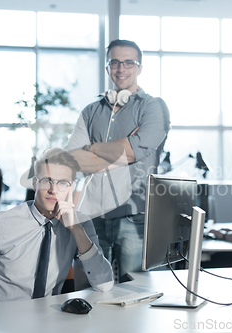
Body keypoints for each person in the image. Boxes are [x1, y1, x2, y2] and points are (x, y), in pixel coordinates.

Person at [65, 39, 171, 282]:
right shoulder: (91, 111)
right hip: (91, 214)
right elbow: (72, 159)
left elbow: (136, 152)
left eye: (128, 62)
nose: (121, 68)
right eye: (114, 62)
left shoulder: (154, 108)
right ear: (107, 67)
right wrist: (121, 147)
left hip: (134, 215)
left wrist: (91, 148)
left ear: (139, 68)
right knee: (89, 292)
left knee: (136, 291)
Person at [0, 148, 113, 302]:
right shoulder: (0, 223)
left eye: (62, 183)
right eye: (46, 181)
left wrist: (77, 230)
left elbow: (104, 284)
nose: (53, 190)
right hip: (1, 318)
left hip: (48, 319)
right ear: (34, 184)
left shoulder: (81, 223)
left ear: (71, 187)